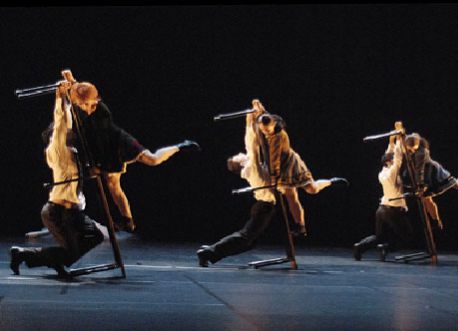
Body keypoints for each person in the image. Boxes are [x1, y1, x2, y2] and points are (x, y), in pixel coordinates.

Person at [68, 74, 200, 232]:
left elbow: (102, 140)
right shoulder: (79, 110)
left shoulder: (101, 111)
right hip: (104, 151)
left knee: (153, 160)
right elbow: (75, 91)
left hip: (119, 142)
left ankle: (180, 146)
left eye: (85, 104)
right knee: (113, 186)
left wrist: (99, 165)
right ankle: (128, 220)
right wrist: (69, 81)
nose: (83, 106)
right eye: (81, 104)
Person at [9, 80, 104, 277]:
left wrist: (70, 94)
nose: (69, 131)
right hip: (59, 212)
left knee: (95, 236)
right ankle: (40, 256)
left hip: (74, 211)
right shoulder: (57, 149)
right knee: (72, 251)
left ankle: (34, 256)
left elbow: (67, 121)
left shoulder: (71, 152)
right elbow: (61, 119)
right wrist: (60, 96)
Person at [251, 99, 348, 236]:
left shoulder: (278, 136)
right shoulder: (266, 121)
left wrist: (274, 177)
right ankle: (300, 226)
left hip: (290, 165)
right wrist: (257, 105)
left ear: (273, 124)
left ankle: (331, 181)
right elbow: (263, 113)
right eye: (262, 129)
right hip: (280, 168)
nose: (265, 132)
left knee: (312, 189)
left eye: (267, 129)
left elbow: (274, 160)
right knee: (291, 196)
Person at [195, 110, 277, 267]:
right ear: (238, 164)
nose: (241, 153)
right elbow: (251, 142)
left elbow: (253, 143)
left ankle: (213, 250)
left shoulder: (251, 167)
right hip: (264, 206)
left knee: (250, 241)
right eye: (238, 156)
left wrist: (252, 119)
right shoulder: (250, 167)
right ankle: (209, 252)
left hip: (263, 205)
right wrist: (251, 120)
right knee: (245, 238)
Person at [400, 132, 458, 230]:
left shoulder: (421, 153)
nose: (411, 150)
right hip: (421, 174)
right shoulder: (407, 143)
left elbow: (420, 170)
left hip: (432, 173)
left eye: (413, 148)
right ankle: (436, 220)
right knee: (426, 199)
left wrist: (420, 185)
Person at [353, 132, 414, 261]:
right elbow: (398, 157)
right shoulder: (392, 172)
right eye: (391, 160)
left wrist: (391, 142)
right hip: (393, 210)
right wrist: (399, 140)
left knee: (378, 236)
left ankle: (360, 246)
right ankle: (385, 248)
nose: (393, 161)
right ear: (388, 162)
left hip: (381, 210)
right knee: (408, 237)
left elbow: (390, 154)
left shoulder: (382, 172)